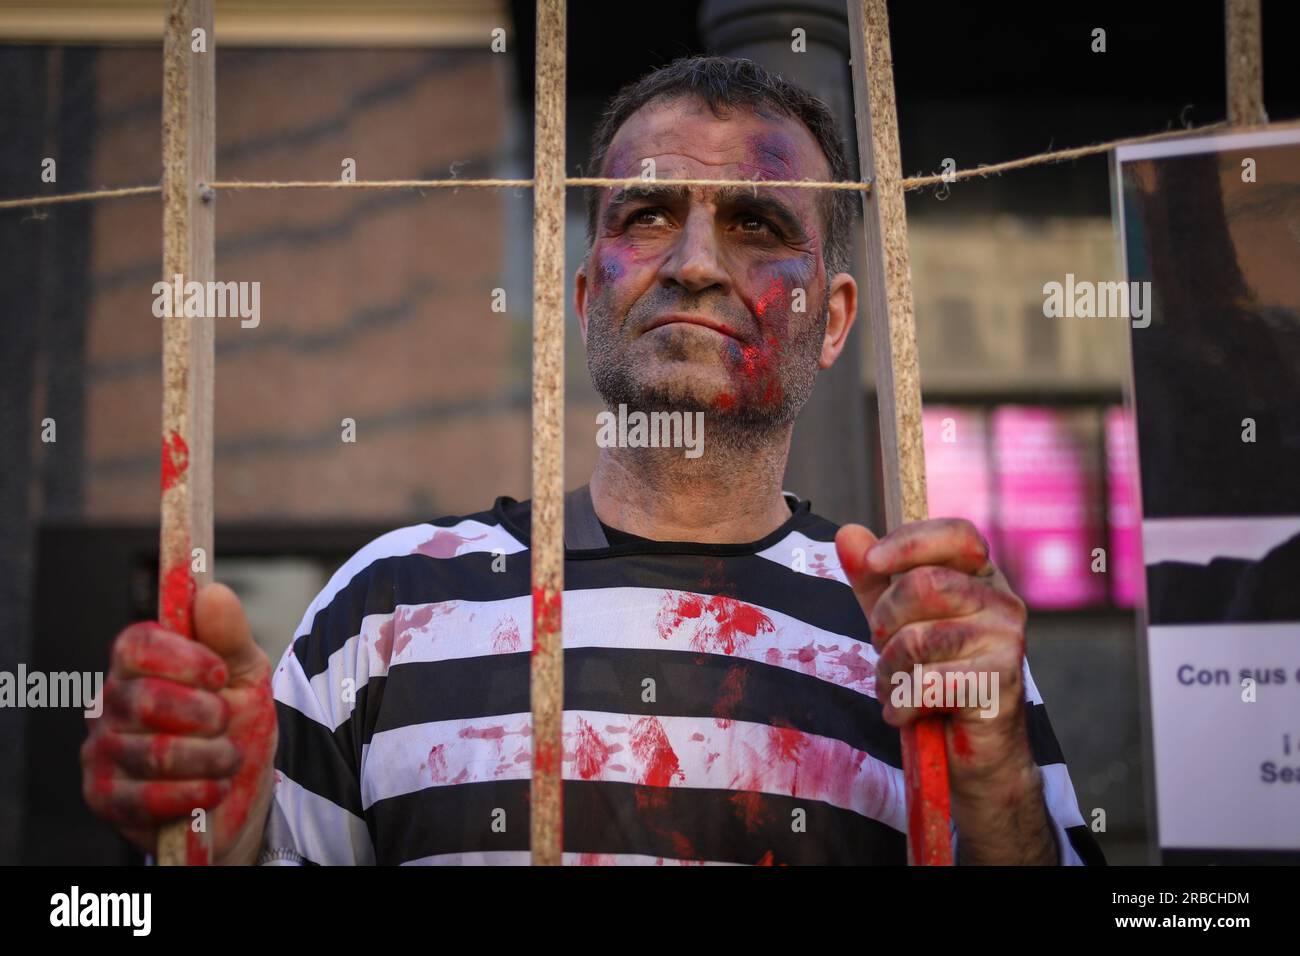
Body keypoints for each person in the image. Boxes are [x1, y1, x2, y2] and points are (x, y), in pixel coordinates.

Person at [82, 55, 1103, 866]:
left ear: (834, 321)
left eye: (756, 224)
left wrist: (999, 790)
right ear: (585, 297)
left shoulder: (918, 645)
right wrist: (211, 830)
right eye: (647, 215)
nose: (695, 263)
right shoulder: (386, 609)